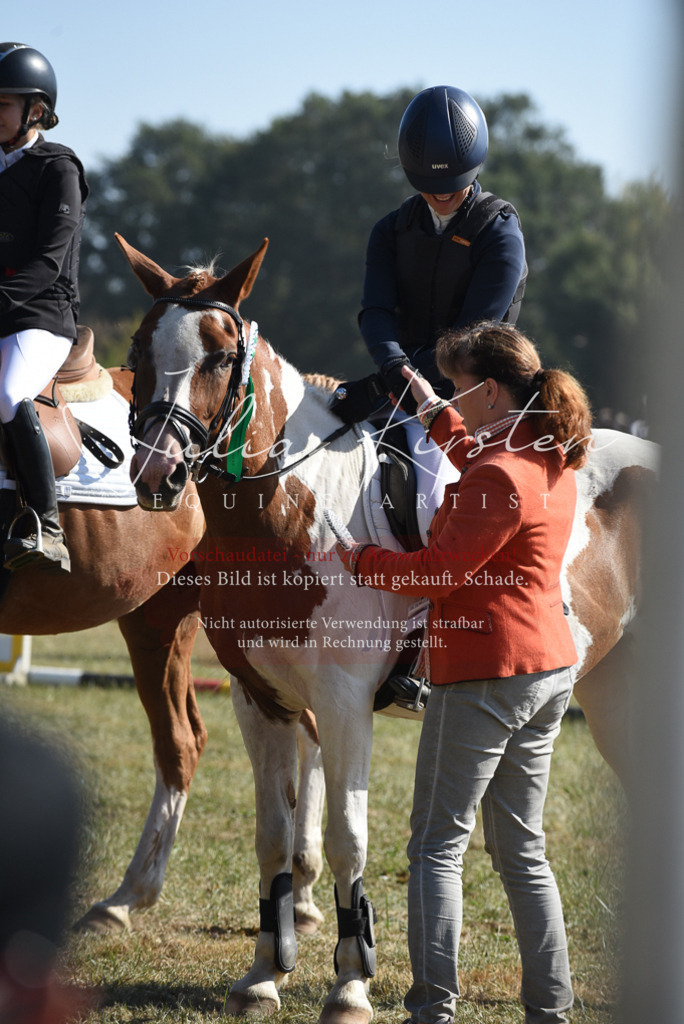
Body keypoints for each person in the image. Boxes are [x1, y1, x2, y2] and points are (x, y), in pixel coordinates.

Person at [337, 321, 592, 1024]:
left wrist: (359, 559)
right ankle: (550, 1008)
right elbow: (479, 459)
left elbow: (437, 572)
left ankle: (433, 1009)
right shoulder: (547, 452)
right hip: (546, 666)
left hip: (485, 670)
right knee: (523, 851)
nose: (453, 396)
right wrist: (432, 408)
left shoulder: (499, 473)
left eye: (457, 386)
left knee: (436, 847)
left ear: (491, 391)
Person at [358, 85, 527, 413]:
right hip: (402, 388)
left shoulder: (500, 232)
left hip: (482, 394)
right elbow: (376, 310)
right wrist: (392, 366)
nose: (442, 195)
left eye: (454, 183)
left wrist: (407, 378)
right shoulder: (389, 231)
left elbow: (473, 332)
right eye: (431, 185)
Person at [0, 42, 89, 573]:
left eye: (1, 105)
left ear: (36, 110)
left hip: (42, 314)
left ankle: (47, 525)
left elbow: (50, 263)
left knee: (8, 393)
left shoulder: (58, 169)